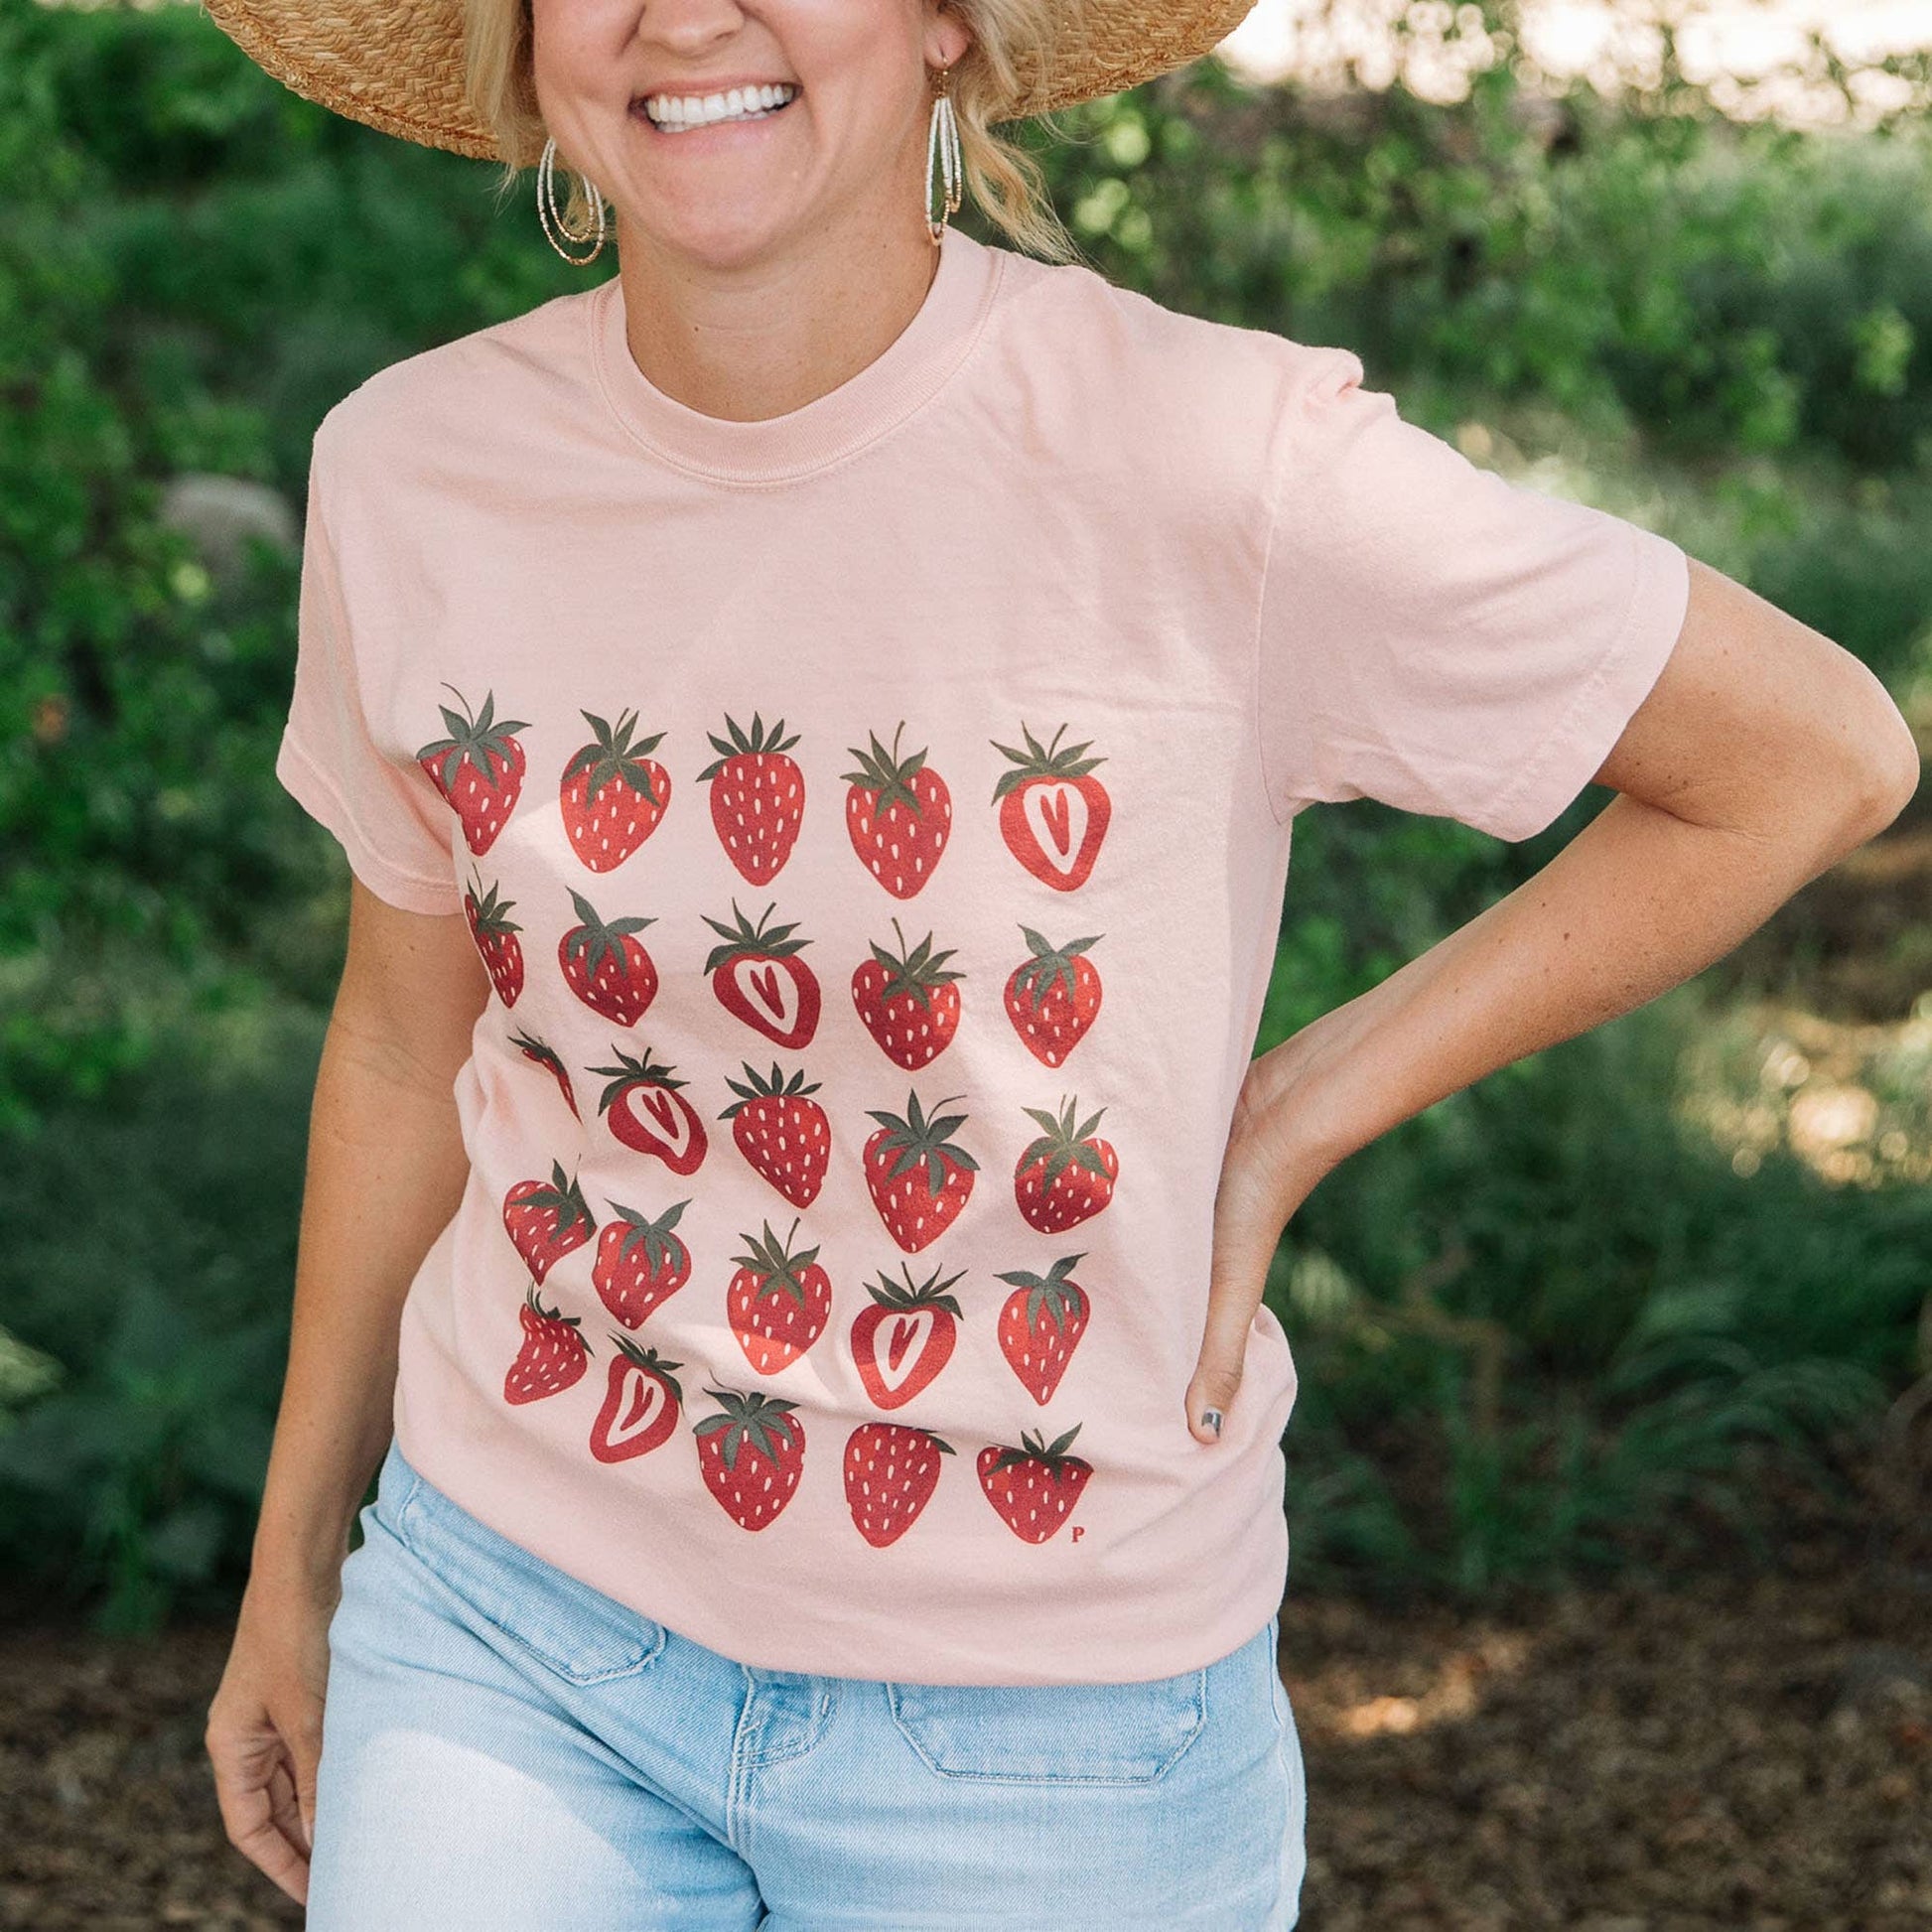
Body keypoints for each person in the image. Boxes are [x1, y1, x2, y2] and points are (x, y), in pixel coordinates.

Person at [196, 0, 1920, 1924]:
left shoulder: (1218, 460)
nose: (687, 15)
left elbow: (1809, 757)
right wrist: (292, 1561)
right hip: (511, 1635)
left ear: (948, 20)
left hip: (1052, 1731)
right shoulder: (412, 470)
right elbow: (393, 1045)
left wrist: (1286, 1120)